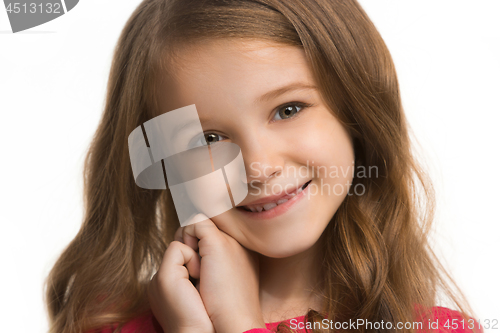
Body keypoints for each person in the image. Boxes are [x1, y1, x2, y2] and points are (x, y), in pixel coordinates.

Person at [44, 0, 483, 332]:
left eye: (288, 109)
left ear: (357, 112)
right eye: (208, 139)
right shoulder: (109, 325)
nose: (257, 167)